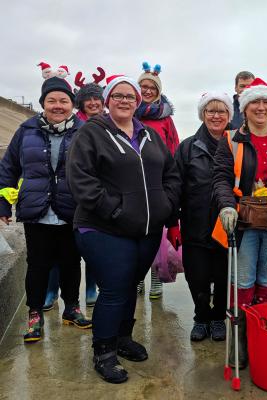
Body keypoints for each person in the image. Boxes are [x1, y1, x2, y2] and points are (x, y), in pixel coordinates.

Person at [67, 75, 181, 383]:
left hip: (146, 230)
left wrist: (166, 206)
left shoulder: (150, 135)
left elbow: (171, 173)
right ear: (107, 100)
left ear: (137, 102)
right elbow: (80, 179)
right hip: (103, 227)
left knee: (130, 284)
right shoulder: (92, 133)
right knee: (115, 288)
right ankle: (104, 351)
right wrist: (115, 210)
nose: (124, 101)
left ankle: (122, 337)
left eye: (130, 96)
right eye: (117, 95)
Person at [0, 74, 92, 343]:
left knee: (71, 262)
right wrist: (3, 203)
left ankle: (72, 308)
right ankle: (35, 313)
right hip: (36, 210)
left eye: (64, 100)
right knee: (37, 265)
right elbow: (8, 168)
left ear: (72, 104)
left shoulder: (85, 131)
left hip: (72, 209)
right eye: (52, 100)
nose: (58, 106)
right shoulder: (26, 130)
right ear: (43, 103)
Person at [213, 78, 267, 368]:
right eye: (254, 102)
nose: (260, 107)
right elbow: (221, 177)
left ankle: (263, 336)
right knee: (243, 282)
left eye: (266, 102)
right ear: (244, 109)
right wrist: (226, 205)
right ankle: (241, 342)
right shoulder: (230, 140)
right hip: (243, 222)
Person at [43, 71, 107, 311]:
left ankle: (91, 289)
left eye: (96, 98)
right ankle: (52, 291)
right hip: (67, 195)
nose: (93, 103)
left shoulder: (109, 124)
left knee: (93, 249)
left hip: (96, 195)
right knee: (57, 250)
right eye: (88, 99)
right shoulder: (71, 123)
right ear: (80, 102)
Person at [175, 92, 233, 341]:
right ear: (202, 114)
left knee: (223, 275)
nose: (216, 116)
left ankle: (219, 317)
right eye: (211, 111)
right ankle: (201, 317)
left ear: (229, 115)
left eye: (221, 111)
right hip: (194, 222)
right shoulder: (188, 147)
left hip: (227, 224)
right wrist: (172, 222)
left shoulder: (236, 144)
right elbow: (175, 185)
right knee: (196, 275)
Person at [135, 62, 181, 300]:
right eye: (143, 86)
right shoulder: (128, 113)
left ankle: (156, 278)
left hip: (158, 181)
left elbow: (174, 148)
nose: (147, 90)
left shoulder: (166, 119)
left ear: (158, 91)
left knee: (157, 234)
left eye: (152, 87)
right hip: (132, 181)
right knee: (134, 232)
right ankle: (137, 278)